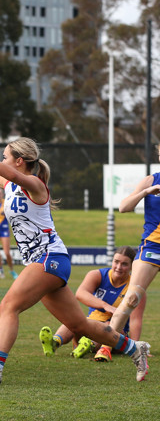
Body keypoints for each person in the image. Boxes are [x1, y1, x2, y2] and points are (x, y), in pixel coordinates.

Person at [0, 128, 150, 385]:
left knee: (9, 306)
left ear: (20, 161)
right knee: (79, 325)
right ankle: (134, 349)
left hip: (49, 259)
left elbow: (8, 173)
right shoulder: (10, 184)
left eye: (5, 156)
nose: (2, 161)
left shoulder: (35, 184)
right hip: (48, 262)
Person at [100, 152, 160, 362]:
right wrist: (146, 191)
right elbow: (124, 207)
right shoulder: (151, 180)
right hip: (153, 246)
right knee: (132, 298)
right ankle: (106, 347)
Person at [39, 246, 145, 361]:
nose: (119, 267)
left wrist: (135, 347)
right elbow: (80, 293)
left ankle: (92, 346)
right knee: (74, 319)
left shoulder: (135, 289)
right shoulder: (98, 275)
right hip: (91, 324)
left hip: (117, 333)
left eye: (124, 264)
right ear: (112, 261)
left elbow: (136, 319)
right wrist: (105, 306)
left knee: (109, 325)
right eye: (116, 262)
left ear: (131, 267)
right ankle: (55, 342)